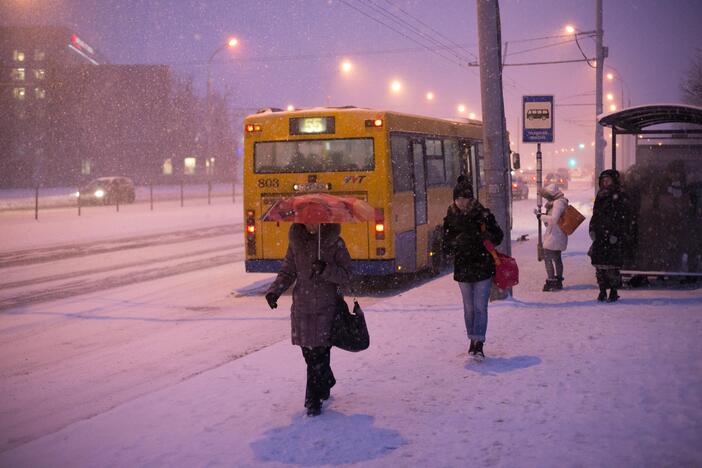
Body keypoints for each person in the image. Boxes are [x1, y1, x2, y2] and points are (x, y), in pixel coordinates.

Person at [264, 223, 352, 416]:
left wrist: (326, 269)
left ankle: (312, 402)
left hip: (326, 308)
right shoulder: (296, 243)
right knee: (309, 354)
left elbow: (346, 275)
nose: (311, 223)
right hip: (302, 308)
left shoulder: (334, 243)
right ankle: (326, 381)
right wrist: (274, 291)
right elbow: (287, 271)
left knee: (318, 354)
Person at [442, 175, 504, 359]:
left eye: (464, 198)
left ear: (471, 198)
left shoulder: (483, 214)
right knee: (468, 308)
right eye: (458, 199)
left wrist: (484, 237)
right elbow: (445, 246)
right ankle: (472, 338)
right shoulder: (450, 218)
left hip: (482, 266)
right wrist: (456, 242)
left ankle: (479, 342)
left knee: (480, 307)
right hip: (463, 268)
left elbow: (498, 236)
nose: (461, 202)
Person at [589, 169, 634, 302]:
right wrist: (592, 229)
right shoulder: (600, 194)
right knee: (600, 266)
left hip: (613, 236)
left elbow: (623, 217)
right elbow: (595, 214)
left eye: (608, 179)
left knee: (612, 266)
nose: (605, 182)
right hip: (600, 234)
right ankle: (602, 290)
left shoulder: (620, 195)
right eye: (603, 180)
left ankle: (613, 291)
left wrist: (617, 234)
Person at [537, 183, 569, 291]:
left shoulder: (558, 203)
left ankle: (551, 281)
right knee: (556, 258)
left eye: (547, 195)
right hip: (557, 234)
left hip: (555, 235)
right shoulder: (559, 202)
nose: (546, 198)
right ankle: (558, 280)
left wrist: (540, 216)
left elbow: (554, 219)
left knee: (548, 257)